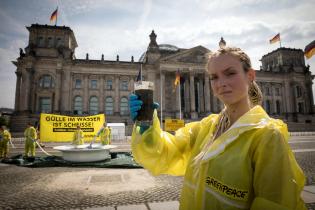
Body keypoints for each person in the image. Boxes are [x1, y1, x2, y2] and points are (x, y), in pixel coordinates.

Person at [129, 46, 306, 210]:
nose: (221, 83)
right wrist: (147, 125)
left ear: (250, 76)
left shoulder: (267, 137)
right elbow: (164, 154)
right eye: (214, 77)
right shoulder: (206, 127)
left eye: (230, 73)